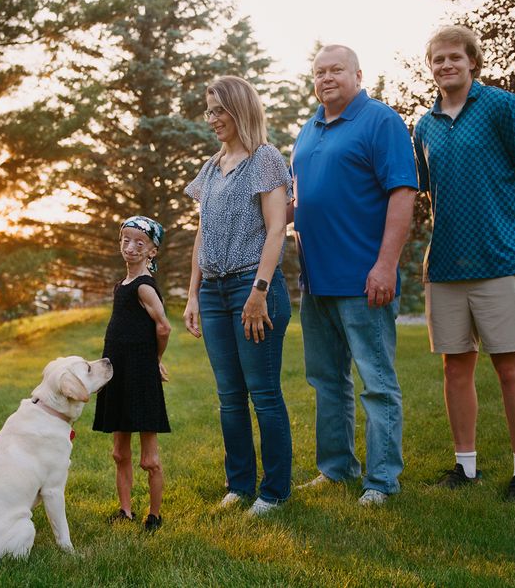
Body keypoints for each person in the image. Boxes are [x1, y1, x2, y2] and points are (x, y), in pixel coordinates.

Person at [413, 25, 515, 502]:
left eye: (455, 58)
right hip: (447, 263)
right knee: (455, 368)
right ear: (430, 67)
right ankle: (465, 467)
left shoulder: (502, 107)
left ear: (473, 62)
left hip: (501, 258)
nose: (446, 65)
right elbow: (429, 192)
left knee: (512, 368)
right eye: (438, 59)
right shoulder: (424, 125)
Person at [291, 44, 417, 506]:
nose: (326, 78)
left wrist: (385, 265)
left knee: (377, 383)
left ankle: (382, 481)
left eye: (336, 70)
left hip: (365, 280)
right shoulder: (308, 129)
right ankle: (337, 467)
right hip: (315, 281)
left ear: (358, 74)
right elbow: (303, 200)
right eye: (319, 71)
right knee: (327, 381)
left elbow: (402, 194)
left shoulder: (381, 121)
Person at [183, 75, 293, 516]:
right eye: (207, 111)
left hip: (253, 287)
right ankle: (240, 486)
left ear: (239, 109)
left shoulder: (265, 159)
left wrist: (259, 291)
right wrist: (193, 295)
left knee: (263, 393)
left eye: (218, 110)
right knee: (229, 395)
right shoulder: (212, 166)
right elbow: (202, 233)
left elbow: (275, 228)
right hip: (213, 291)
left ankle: (275, 492)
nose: (211, 119)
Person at [92, 215, 172, 531]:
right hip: (117, 372)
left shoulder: (144, 287)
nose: (131, 247)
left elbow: (163, 326)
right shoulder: (121, 285)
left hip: (139, 374)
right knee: (119, 452)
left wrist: (155, 359)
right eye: (126, 240)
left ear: (152, 251)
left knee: (148, 459)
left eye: (140, 243)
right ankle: (125, 511)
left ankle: (154, 516)